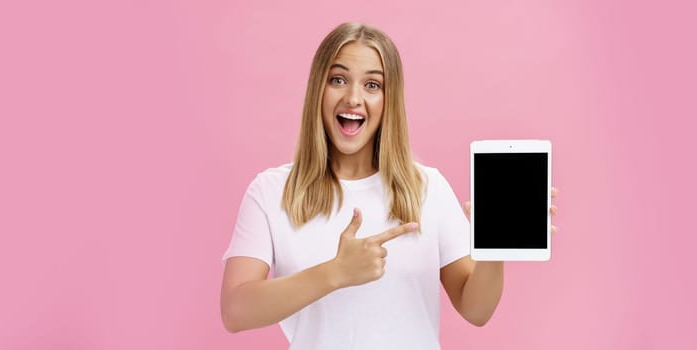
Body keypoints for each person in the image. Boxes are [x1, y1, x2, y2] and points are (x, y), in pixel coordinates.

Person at [220, 22, 559, 349]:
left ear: (388, 100)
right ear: (317, 90)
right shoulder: (271, 191)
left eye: (372, 85)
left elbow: (476, 310)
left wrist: (493, 249)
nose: (353, 98)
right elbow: (235, 310)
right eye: (338, 79)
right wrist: (335, 273)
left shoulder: (429, 189)